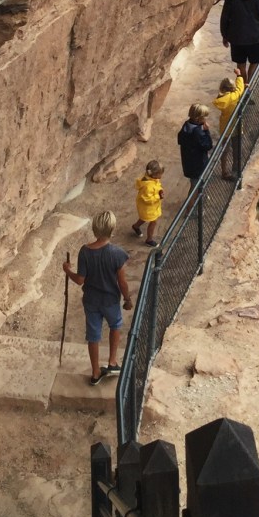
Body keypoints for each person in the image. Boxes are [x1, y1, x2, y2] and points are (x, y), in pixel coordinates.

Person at [63, 210, 133, 385]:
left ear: (94, 229)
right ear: (112, 229)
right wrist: (127, 299)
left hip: (91, 301)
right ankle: (112, 362)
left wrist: (67, 270)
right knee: (115, 325)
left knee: (93, 335)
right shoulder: (117, 254)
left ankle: (95, 372)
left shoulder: (85, 252)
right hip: (110, 300)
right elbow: (122, 282)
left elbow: (80, 280)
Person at [213, 67, 245, 179]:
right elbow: (240, 88)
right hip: (237, 125)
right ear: (232, 88)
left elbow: (217, 101)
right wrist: (239, 75)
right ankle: (236, 167)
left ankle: (224, 172)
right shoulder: (235, 95)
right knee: (237, 148)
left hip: (225, 127)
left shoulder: (221, 100)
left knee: (225, 150)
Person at [177, 104, 212, 186]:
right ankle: (194, 199)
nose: (207, 118)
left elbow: (180, 140)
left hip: (189, 163)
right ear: (199, 118)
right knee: (196, 188)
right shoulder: (198, 133)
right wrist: (206, 132)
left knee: (195, 184)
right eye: (205, 116)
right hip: (198, 165)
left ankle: (198, 198)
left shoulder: (186, 125)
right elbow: (208, 145)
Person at [132, 159, 164, 246]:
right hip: (149, 207)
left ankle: (136, 226)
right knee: (153, 222)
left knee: (144, 218)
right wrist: (158, 196)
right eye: (160, 173)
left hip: (148, 207)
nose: (161, 175)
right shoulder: (148, 186)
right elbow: (148, 199)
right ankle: (149, 240)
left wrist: (159, 191)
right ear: (154, 175)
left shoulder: (150, 179)